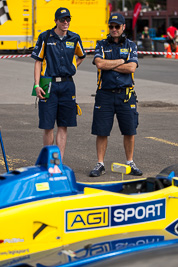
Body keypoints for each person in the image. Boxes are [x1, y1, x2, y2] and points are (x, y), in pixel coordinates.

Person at [89, 13, 142, 177]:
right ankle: (100, 164)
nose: (113, 29)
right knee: (102, 130)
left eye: (117, 26)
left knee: (129, 130)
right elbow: (99, 63)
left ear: (123, 27)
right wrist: (121, 61)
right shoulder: (101, 45)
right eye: (111, 26)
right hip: (104, 94)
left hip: (126, 94)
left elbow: (131, 68)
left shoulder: (131, 45)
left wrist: (109, 65)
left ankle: (130, 162)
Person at [31, 7, 86, 160]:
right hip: (47, 83)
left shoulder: (74, 38)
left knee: (63, 125)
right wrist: (36, 85)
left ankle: (59, 161)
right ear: (55, 21)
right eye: (62, 19)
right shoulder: (45, 37)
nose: (66, 22)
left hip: (68, 85)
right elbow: (38, 61)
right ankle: (50, 160)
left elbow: (81, 55)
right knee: (48, 126)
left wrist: (73, 66)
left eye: (68, 19)